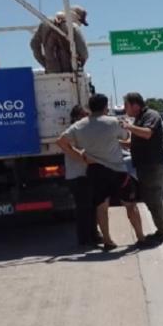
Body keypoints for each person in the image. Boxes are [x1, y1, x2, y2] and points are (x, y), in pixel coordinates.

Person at [57, 94, 146, 251]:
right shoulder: (113, 122)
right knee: (130, 205)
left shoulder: (79, 126)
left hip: (95, 171)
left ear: (90, 108)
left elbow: (61, 142)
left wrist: (80, 157)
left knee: (101, 207)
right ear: (105, 107)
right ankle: (140, 237)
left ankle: (107, 241)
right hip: (118, 170)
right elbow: (126, 136)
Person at [122, 92, 163, 243]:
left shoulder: (151, 115)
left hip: (152, 165)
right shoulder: (139, 119)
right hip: (144, 166)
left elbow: (147, 134)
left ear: (135, 105)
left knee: (154, 200)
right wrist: (117, 142)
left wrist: (128, 126)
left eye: (126, 105)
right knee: (151, 200)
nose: (125, 109)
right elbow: (133, 143)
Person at [61, 105, 100, 248]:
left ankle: (93, 235)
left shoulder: (83, 130)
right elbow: (67, 146)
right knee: (84, 208)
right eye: (85, 114)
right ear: (77, 117)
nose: (87, 117)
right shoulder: (73, 131)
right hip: (77, 176)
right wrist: (84, 157)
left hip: (85, 174)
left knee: (91, 207)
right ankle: (85, 238)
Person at [40, 6, 90, 73]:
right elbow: (84, 53)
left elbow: (34, 45)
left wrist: (45, 64)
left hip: (50, 71)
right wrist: (79, 65)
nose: (80, 24)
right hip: (69, 72)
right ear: (75, 16)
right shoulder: (73, 27)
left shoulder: (46, 25)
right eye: (80, 21)